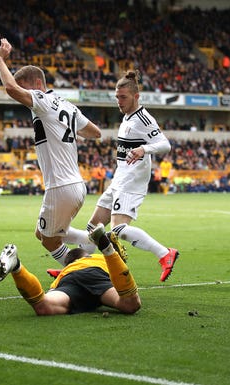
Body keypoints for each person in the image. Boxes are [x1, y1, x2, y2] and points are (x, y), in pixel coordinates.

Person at [0, 38, 102, 264]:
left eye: (26, 88)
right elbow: (95, 132)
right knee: (41, 233)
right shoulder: (67, 105)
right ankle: (96, 240)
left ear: (35, 84)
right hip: (76, 185)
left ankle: (79, 271)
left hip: (60, 186)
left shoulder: (42, 100)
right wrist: (68, 128)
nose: (25, 96)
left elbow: (10, 88)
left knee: (48, 240)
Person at [84, 71, 178, 282]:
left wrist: (144, 149)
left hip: (132, 182)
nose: (119, 101)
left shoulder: (143, 118)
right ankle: (77, 268)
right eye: (117, 97)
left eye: (123, 97)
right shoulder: (127, 117)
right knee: (94, 227)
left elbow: (165, 145)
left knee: (117, 230)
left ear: (136, 96)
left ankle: (165, 254)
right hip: (120, 179)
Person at [0, 223, 140, 315]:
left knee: (44, 306)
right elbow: (120, 271)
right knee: (130, 304)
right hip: (96, 273)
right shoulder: (96, 259)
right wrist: (113, 254)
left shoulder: (66, 270)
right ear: (85, 255)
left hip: (68, 281)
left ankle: (17, 267)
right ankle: (106, 249)